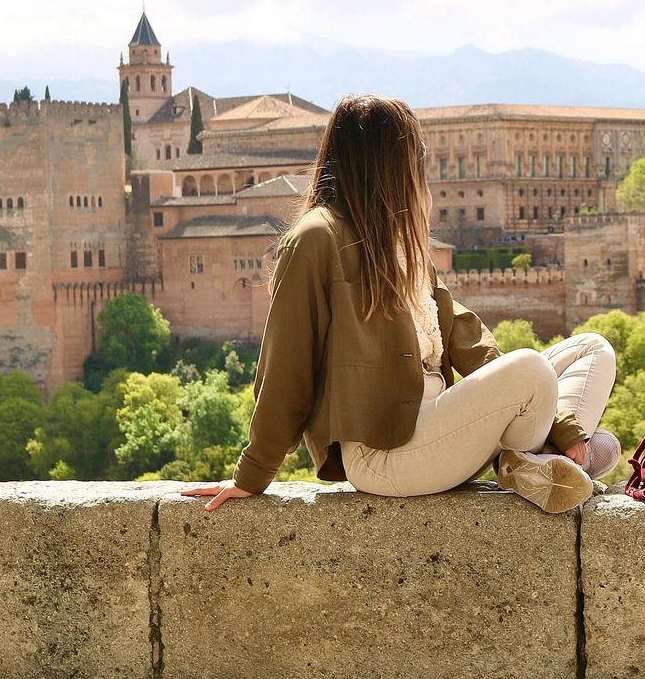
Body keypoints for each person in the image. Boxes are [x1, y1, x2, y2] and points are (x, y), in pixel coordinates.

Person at [183, 94, 621, 514]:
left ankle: (533, 465)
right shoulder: (316, 238)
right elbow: (286, 365)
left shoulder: (401, 241)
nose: (420, 169)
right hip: (387, 453)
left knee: (592, 349)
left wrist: (561, 420)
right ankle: (541, 461)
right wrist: (253, 473)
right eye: (414, 155)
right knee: (531, 369)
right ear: (387, 163)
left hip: (446, 428)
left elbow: (472, 344)